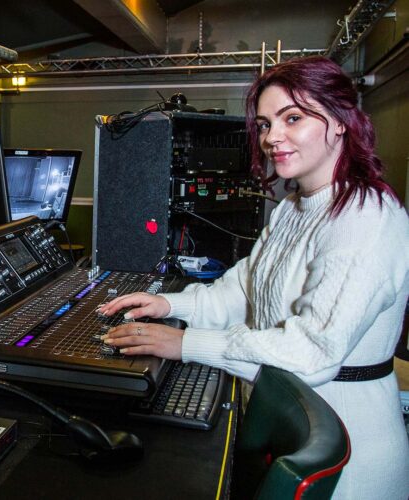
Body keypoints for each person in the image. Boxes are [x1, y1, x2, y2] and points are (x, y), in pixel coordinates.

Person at [98, 56, 409, 499]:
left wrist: (186, 344)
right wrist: (171, 306)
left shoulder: (364, 218)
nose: (272, 138)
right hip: (285, 423)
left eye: (293, 118)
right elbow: (246, 288)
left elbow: (311, 353)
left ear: (341, 121)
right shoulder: (295, 207)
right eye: (264, 124)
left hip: (346, 459)